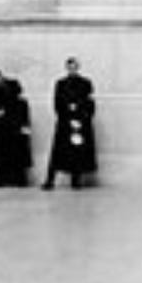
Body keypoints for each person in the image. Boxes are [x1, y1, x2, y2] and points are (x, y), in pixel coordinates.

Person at [43, 57, 97, 189]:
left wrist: (81, 117)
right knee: (58, 152)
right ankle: (50, 180)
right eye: (70, 67)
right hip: (65, 122)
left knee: (77, 152)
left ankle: (76, 179)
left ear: (77, 68)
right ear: (66, 68)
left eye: (74, 67)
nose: (72, 70)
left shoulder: (86, 83)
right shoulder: (60, 83)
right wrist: (67, 115)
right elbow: (57, 103)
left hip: (80, 122)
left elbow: (90, 103)